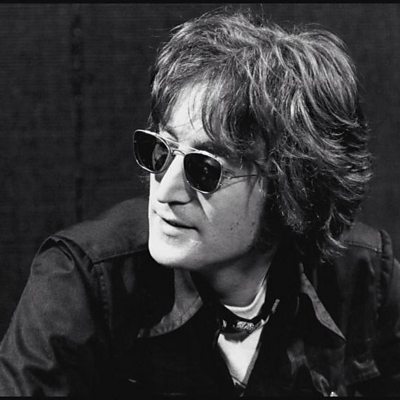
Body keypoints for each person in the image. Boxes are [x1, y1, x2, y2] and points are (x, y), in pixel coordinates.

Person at [0, 9, 399, 397]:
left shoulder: (364, 278)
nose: (165, 189)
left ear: (290, 187)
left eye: (205, 168)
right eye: (161, 150)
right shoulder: (81, 284)